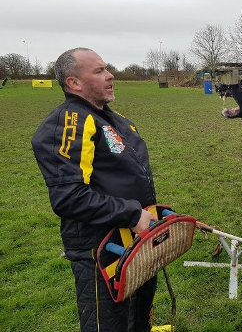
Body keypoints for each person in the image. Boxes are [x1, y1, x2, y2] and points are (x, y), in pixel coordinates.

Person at [31, 48, 158, 332]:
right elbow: (68, 196)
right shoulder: (69, 121)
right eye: (99, 71)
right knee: (109, 325)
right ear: (74, 83)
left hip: (133, 238)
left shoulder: (112, 118)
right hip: (100, 249)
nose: (110, 75)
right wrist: (132, 215)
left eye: (107, 68)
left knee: (139, 319)